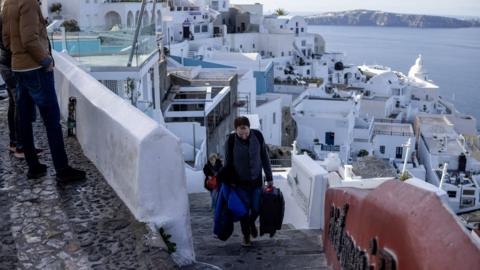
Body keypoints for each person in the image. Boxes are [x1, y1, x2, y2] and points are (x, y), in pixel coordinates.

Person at [2, 0, 85, 182]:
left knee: (24, 118)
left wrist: (18, 55)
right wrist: (46, 61)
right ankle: (62, 170)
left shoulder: (8, 3)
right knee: (52, 120)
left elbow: (6, 39)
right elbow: (29, 39)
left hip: (18, 67)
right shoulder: (29, 2)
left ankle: (34, 167)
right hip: (35, 68)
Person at [223, 116, 273, 247]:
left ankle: (252, 223)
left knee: (256, 208)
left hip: (256, 182)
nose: (244, 136)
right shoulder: (231, 141)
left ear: (249, 128)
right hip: (239, 184)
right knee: (244, 212)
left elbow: (264, 157)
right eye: (240, 133)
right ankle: (246, 237)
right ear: (236, 130)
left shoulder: (258, 136)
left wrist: (269, 177)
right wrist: (227, 181)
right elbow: (227, 163)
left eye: (246, 132)